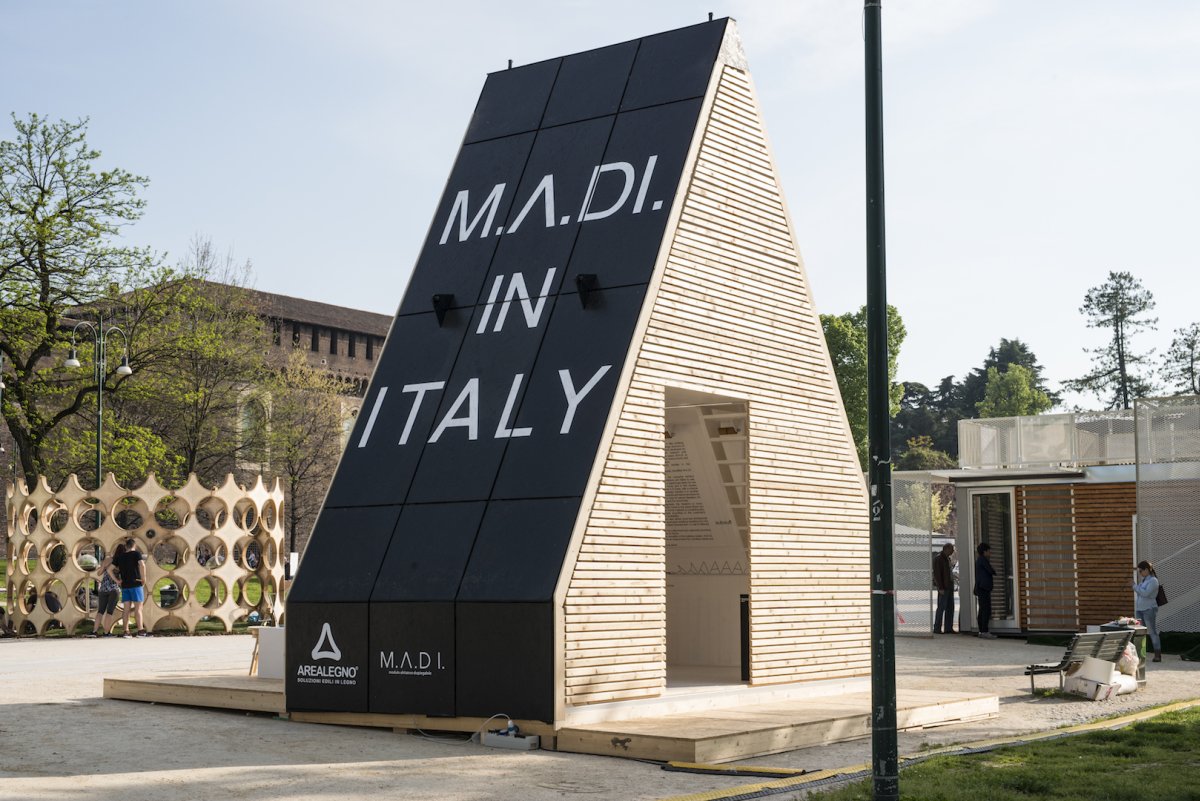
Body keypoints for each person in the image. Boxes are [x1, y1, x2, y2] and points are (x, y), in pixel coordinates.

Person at [113, 538, 150, 637]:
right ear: (134, 545)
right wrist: (144, 578)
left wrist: (117, 580)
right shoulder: (136, 554)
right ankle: (140, 630)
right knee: (138, 608)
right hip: (136, 584)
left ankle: (126, 631)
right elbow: (142, 565)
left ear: (126, 546)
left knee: (126, 609)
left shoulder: (120, 556)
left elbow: (109, 569)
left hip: (125, 585)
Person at [1133, 560, 1162, 662]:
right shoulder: (1144, 580)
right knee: (1140, 632)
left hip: (1149, 609)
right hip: (1140, 609)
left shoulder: (1153, 581)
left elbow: (1145, 593)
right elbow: (1141, 593)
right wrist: (1137, 587)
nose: (1140, 573)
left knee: (1152, 632)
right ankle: (1141, 654)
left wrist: (1134, 586)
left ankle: (1157, 655)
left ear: (1146, 570)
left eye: (1141, 571)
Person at [91, 552, 121, 638]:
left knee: (100, 611)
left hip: (103, 589)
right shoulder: (120, 561)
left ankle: (94, 631)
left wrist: (104, 566)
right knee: (109, 612)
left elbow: (99, 573)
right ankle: (106, 632)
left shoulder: (107, 560)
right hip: (114, 589)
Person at [974, 543, 997, 639]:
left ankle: (981, 631)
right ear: (984, 551)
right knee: (985, 610)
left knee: (982, 609)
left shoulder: (980, 560)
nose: (990, 552)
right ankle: (984, 631)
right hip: (983, 588)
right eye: (988, 550)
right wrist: (994, 571)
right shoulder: (983, 560)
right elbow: (991, 570)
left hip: (981, 587)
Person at [933, 544, 956, 634]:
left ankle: (948, 628)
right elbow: (937, 575)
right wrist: (940, 587)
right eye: (951, 549)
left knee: (950, 607)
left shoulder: (947, 559)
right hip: (944, 587)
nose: (952, 551)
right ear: (946, 549)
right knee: (941, 607)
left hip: (949, 585)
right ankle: (937, 628)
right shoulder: (939, 559)